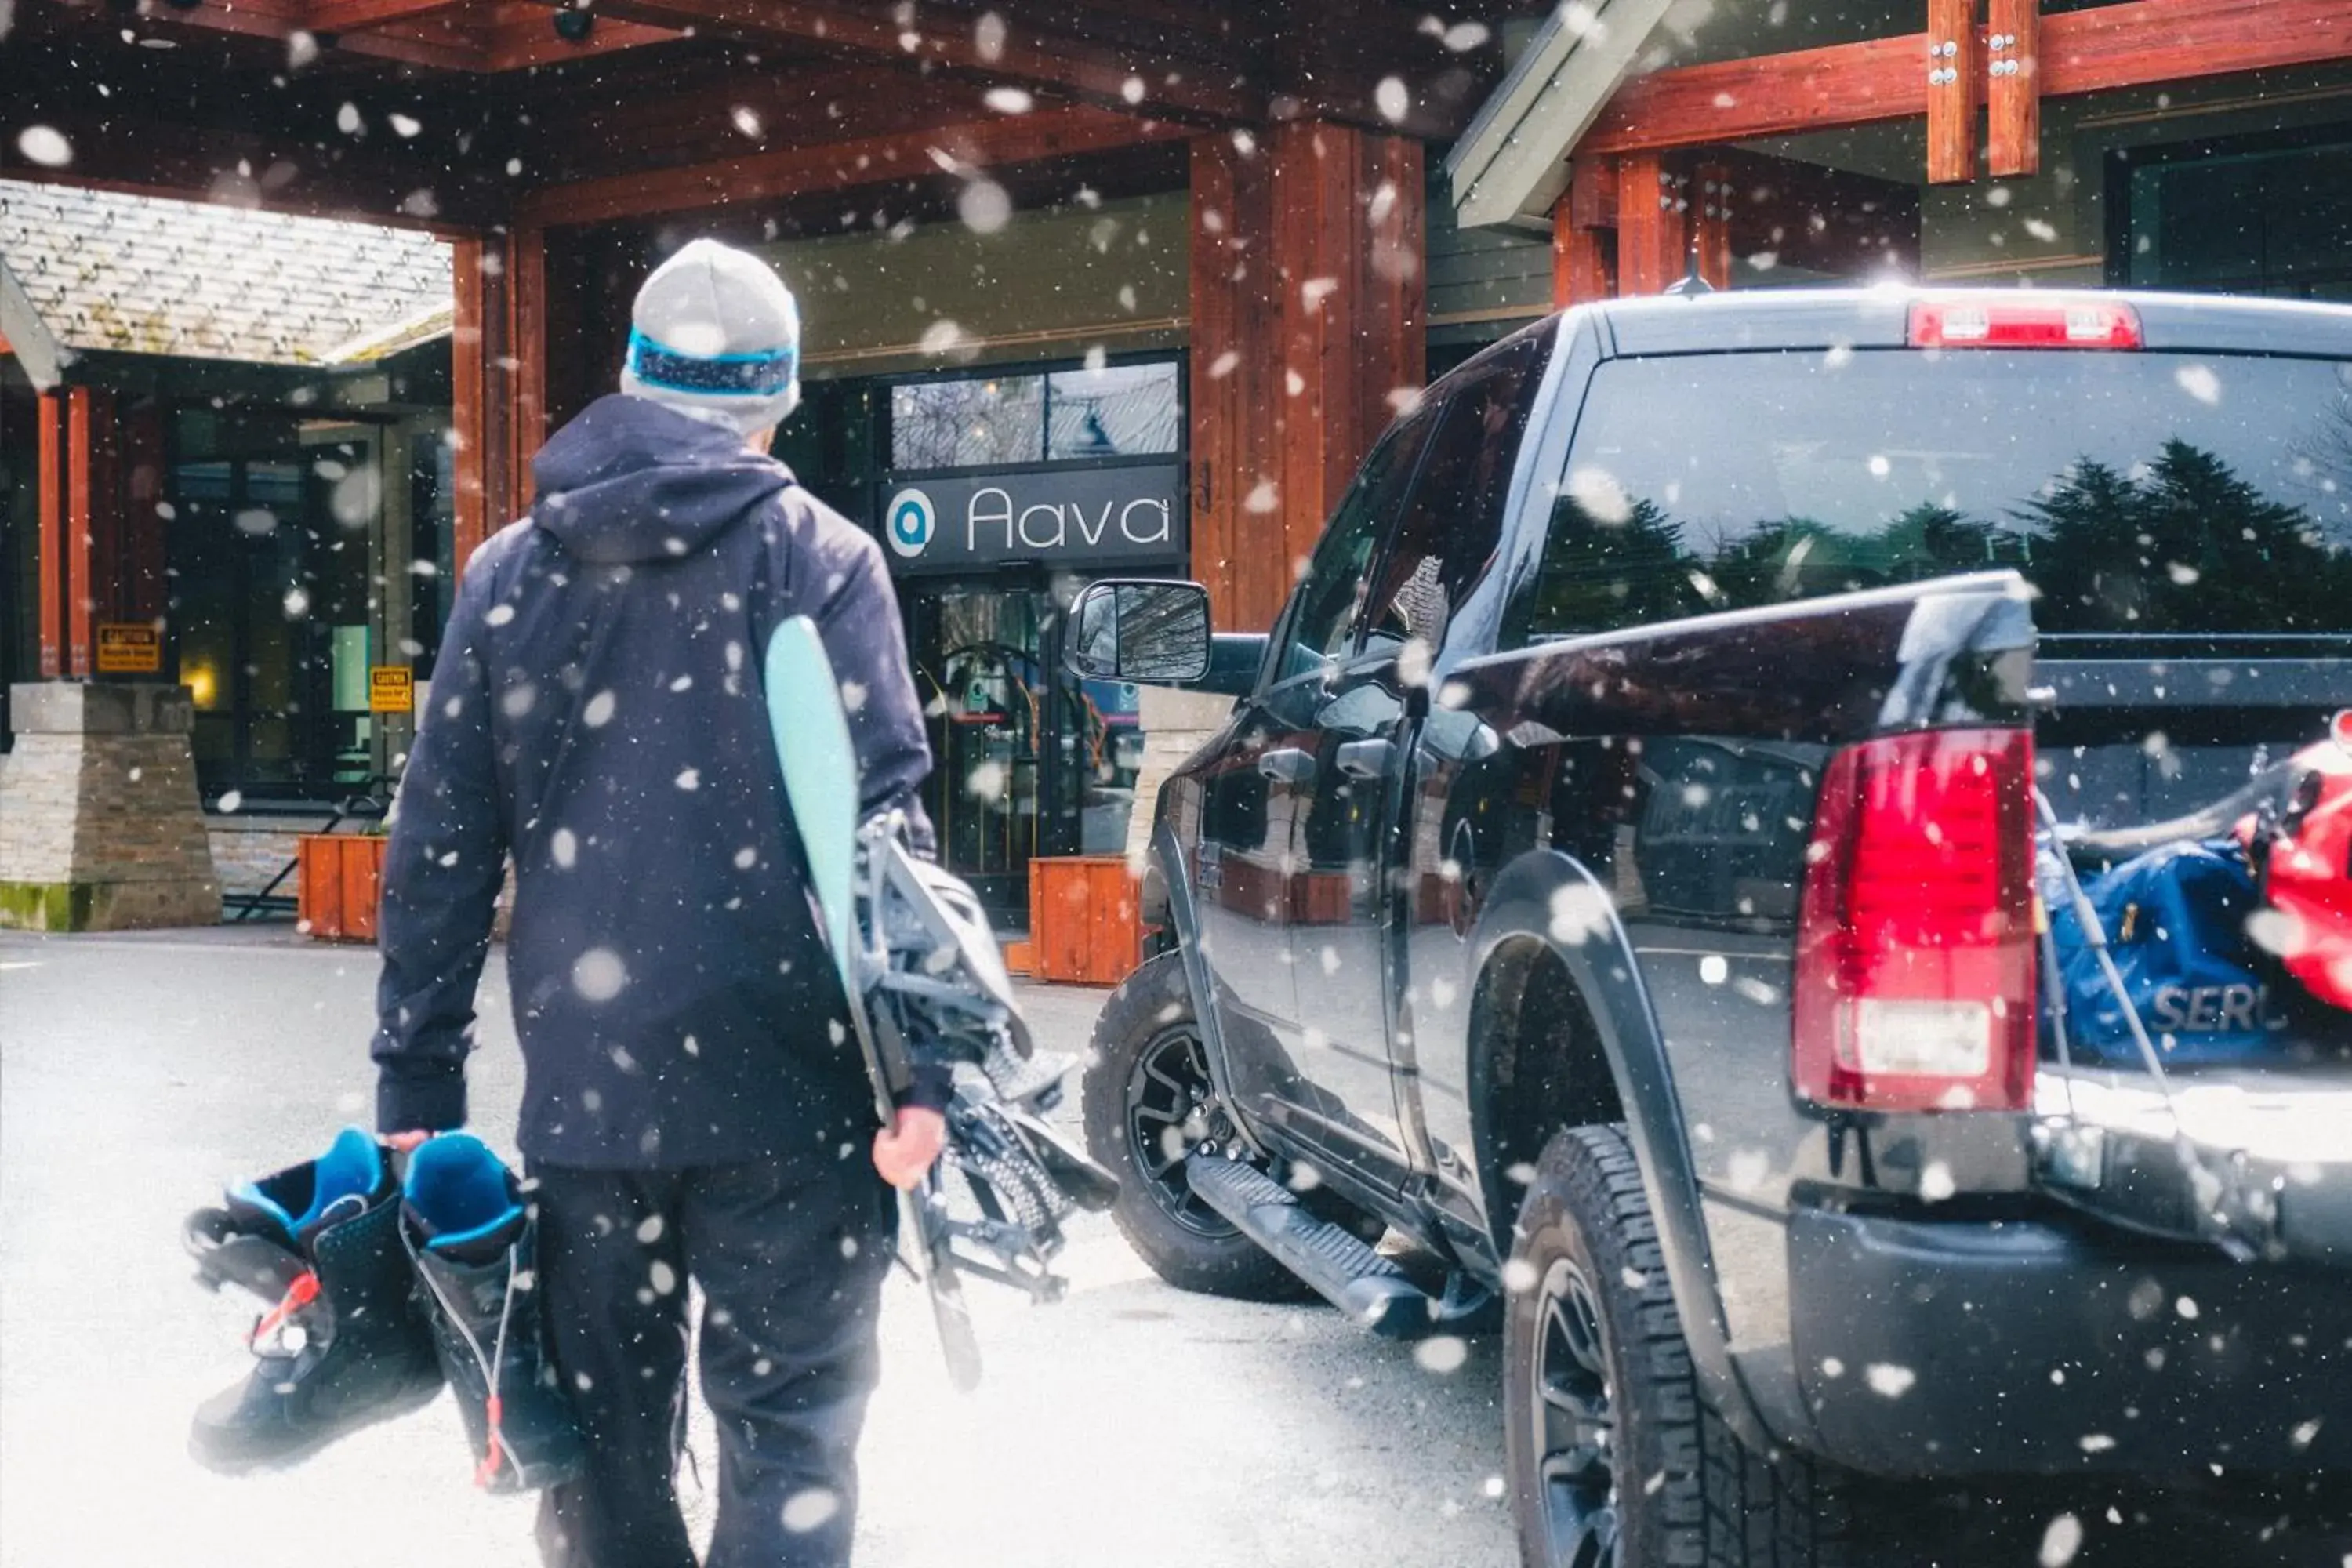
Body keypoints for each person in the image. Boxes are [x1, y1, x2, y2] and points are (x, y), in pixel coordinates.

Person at [369, 238, 947, 1568]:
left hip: (591, 1101)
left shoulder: (507, 574)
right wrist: (925, 1076)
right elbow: (886, 835)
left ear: (630, 379)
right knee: (792, 1443)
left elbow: (441, 844)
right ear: (778, 399)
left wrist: (418, 1083)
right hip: (798, 1095)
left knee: (604, 1461)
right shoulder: (823, 559)